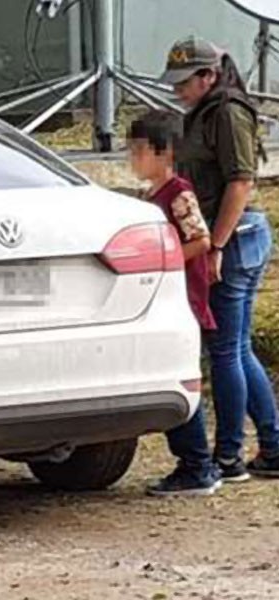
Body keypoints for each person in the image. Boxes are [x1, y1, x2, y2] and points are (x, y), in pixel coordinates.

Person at [161, 36, 279, 481]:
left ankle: (228, 455)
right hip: (235, 237)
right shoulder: (207, 111)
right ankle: (272, 446)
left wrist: (216, 247)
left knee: (225, 350)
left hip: (235, 238)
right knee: (237, 348)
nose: (178, 90)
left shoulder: (227, 112)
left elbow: (240, 182)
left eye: (184, 82)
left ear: (209, 76)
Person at [127, 110, 222, 496]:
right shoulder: (152, 197)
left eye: (139, 151)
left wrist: (164, 260)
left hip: (182, 300)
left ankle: (196, 463)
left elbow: (200, 240)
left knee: (178, 379)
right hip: (165, 299)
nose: (133, 159)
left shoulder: (179, 193)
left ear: (163, 152)